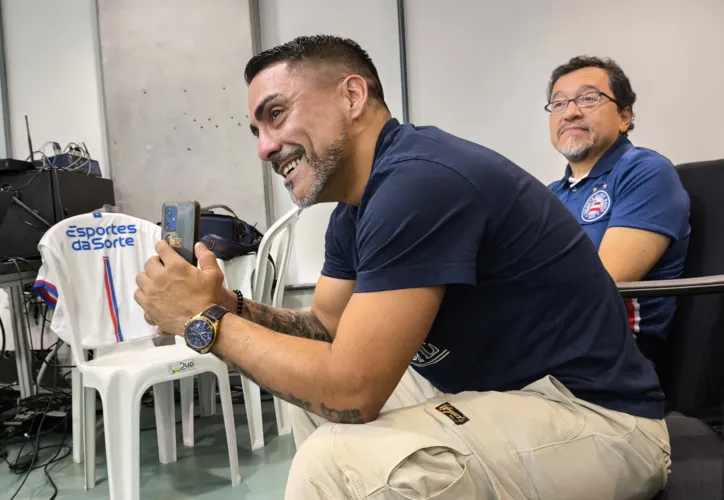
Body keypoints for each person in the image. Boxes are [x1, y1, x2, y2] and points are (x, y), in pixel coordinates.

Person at [135, 36, 670, 499]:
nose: (265, 148)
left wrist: (204, 322)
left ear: (352, 95)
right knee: (306, 400)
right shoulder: (355, 206)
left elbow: (353, 389)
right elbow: (327, 330)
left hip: (599, 421)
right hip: (494, 392)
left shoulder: (419, 182)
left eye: (276, 115)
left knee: (335, 461)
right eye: (255, 129)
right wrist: (231, 306)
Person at [546, 56, 690, 364]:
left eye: (588, 98)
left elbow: (602, 282)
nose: (570, 112)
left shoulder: (644, 171)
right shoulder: (549, 195)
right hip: (547, 344)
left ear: (624, 116)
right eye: (558, 104)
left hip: (611, 355)